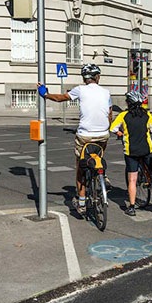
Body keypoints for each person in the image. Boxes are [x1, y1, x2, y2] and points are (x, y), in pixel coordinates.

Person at [37, 64, 112, 214]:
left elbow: (60, 98)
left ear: (84, 78)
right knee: (98, 154)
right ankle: (102, 174)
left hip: (85, 135)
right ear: (97, 77)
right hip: (103, 134)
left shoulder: (80, 90)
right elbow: (110, 114)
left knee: (80, 167)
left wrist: (45, 94)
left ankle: (82, 203)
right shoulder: (106, 92)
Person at [110, 91, 152, 216]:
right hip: (147, 149)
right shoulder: (147, 114)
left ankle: (132, 207)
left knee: (132, 179)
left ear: (128, 103)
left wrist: (120, 133)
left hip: (131, 151)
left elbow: (113, 128)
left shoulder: (123, 115)